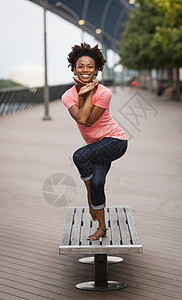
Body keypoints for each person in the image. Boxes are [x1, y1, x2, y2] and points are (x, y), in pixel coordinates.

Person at [62, 43, 128, 240]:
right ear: (73, 68)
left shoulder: (104, 93)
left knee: (79, 156)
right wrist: (82, 94)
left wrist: (88, 93)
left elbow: (86, 120)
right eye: (80, 66)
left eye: (90, 66)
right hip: (97, 147)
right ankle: (101, 227)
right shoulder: (68, 96)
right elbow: (80, 117)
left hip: (115, 141)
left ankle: (89, 199)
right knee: (98, 183)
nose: (85, 70)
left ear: (97, 69)